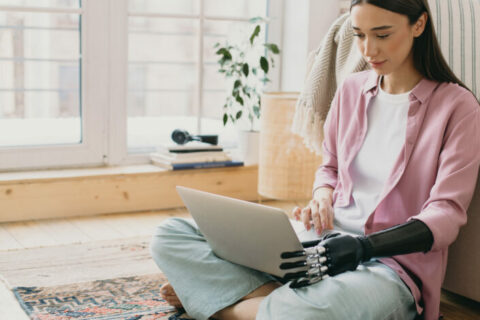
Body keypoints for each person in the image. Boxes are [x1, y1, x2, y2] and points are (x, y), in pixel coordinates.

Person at [150, 1, 480, 319]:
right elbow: (330, 167)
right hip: (320, 242)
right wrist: (322, 194)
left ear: (418, 25)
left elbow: (446, 215)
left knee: (307, 314)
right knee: (171, 234)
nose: (368, 51)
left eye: (382, 35)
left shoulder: (458, 107)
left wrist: (363, 248)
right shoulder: (351, 89)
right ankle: (268, 297)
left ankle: (220, 303)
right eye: (359, 34)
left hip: (389, 267)